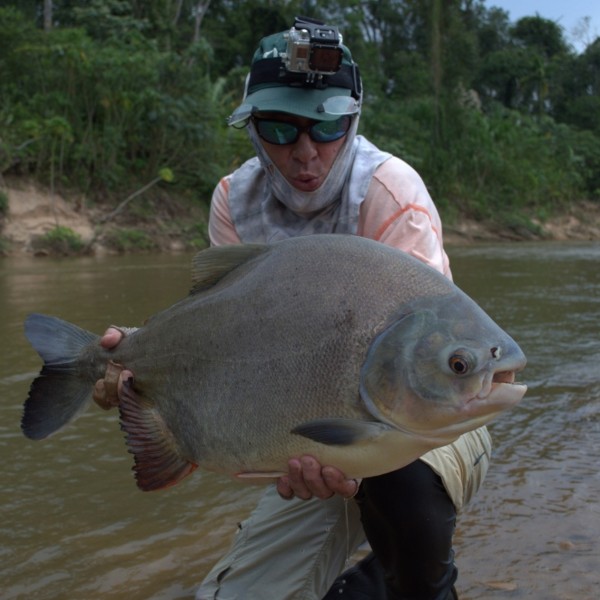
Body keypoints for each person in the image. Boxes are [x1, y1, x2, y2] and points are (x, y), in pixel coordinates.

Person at [94, 17, 492, 600]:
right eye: (280, 128)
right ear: (253, 128)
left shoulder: (390, 192)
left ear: (352, 121)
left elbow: (426, 363)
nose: (306, 152)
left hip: (435, 413)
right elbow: (225, 343)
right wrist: (143, 366)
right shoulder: (233, 198)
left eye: (328, 125)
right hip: (304, 433)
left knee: (404, 489)